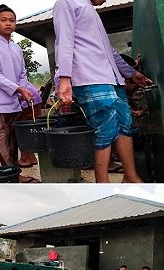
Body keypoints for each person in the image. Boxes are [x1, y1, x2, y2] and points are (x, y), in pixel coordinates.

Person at [54, 0, 151, 183]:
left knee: (125, 124)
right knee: (105, 128)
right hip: (90, 77)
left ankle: (130, 176)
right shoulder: (67, 2)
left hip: (112, 78)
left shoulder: (89, 8)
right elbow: (64, 41)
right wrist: (65, 77)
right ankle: (102, 184)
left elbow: (109, 50)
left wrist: (132, 73)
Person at [0, 4, 34, 169]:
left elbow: (23, 73)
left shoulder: (17, 48)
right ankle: (10, 172)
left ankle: (15, 170)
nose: (8, 23)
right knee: (3, 136)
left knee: (14, 137)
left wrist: (22, 89)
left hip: (15, 100)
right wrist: (19, 89)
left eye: (11, 20)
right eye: (3, 20)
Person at [18, 80, 42, 169]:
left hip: (25, 98)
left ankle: (25, 158)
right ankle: (32, 157)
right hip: (34, 97)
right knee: (31, 127)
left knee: (22, 130)